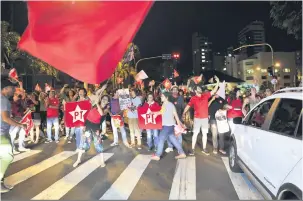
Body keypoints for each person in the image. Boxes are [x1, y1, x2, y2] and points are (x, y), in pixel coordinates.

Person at [182, 76, 220, 156]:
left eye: (200, 88)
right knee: (195, 133)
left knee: (205, 134)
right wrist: (183, 113)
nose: (200, 89)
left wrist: (217, 82)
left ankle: (204, 148)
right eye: (198, 88)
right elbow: (188, 106)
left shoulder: (205, 95)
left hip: (205, 119)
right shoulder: (193, 98)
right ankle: (192, 149)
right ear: (195, 90)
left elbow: (214, 91)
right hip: (197, 119)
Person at [1, 78, 27, 193]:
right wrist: (20, 125)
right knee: (8, 156)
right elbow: (5, 118)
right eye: (12, 88)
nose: (14, 90)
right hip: (1, 133)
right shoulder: (4, 100)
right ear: (5, 89)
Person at [73, 93, 109, 168]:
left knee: (98, 144)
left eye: (106, 100)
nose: (104, 100)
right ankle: (78, 159)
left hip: (95, 127)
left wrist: (96, 103)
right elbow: (86, 110)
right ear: (101, 99)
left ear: (107, 102)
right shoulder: (94, 105)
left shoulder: (106, 108)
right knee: (84, 143)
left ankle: (102, 161)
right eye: (103, 99)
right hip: (88, 125)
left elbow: (101, 113)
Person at [151, 92, 186, 161]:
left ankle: (158, 155)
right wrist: (154, 113)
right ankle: (182, 153)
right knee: (173, 139)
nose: (161, 97)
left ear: (166, 97)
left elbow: (175, 115)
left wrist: (179, 124)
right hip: (170, 126)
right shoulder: (165, 104)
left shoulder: (169, 104)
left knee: (161, 139)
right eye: (161, 96)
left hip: (166, 126)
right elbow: (161, 112)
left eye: (162, 96)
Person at [166, 86, 185, 153]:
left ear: (178, 91)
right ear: (171, 91)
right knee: (169, 133)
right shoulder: (169, 98)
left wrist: (183, 115)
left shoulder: (181, 98)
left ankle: (179, 148)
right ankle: (170, 146)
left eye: (176, 90)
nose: (174, 91)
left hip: (178, 118)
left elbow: (183, 107)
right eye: (173, 90)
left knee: (179, 134)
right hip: (170, 118)